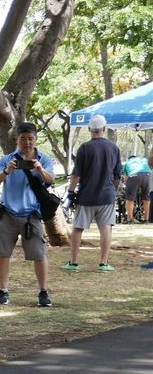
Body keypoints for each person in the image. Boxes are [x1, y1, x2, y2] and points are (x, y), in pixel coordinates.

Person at [0, 121, 56, 307]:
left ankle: (43, 292)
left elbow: (51, 180)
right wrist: (7, 170)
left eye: (30, 139)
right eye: (23, 139)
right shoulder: (6, 159)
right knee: (4, 253)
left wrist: (40, 169)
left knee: (39, 255)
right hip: (8, 213)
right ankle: (3, 290)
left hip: (32, 214)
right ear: (16, 140)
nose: (27, 142)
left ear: (35, 139)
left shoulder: (44, 159)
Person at [63, 114, 123, 272]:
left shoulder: (84, 148)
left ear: (89, 129)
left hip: (86, 196)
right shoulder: (114, 148)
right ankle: (103, 263)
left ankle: (74, 262)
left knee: (78, 228)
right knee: (105, 228)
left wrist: (70, 192)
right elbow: (118, 176)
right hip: (107, 196)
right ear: (104, 129)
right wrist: (112, 190)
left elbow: (76, 175)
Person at [122, 151, 151, 223]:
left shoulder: (127, 162)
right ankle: (146, 219)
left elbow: (126, 179)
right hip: (147, 175)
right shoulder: (143, 159)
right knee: (146, 198)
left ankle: (130, 219)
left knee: (130, 199)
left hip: (134, 175)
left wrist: (128, 187)